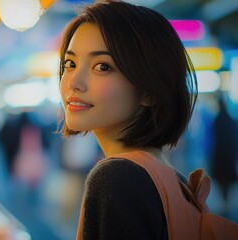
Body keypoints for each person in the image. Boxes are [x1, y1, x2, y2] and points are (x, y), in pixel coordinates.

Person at [57, 0, 198, 239]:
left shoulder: (118, 178)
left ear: (149, 91)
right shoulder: (172, 178)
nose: (73, 81)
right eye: (70, 64)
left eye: (102, 66)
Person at [209, 96, 238, 217]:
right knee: (227, 179)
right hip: (228, 155)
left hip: (219, 155)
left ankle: (224, 201)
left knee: (221, 178)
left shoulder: (216, 120)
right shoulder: (231, 119)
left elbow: (214, 139)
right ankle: (226, 200)